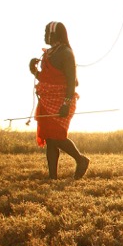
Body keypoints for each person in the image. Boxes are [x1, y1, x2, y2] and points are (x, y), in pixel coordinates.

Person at [28, 21, 89, 180]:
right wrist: (34, 71)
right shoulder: (49, 53)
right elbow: (47, 79)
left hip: (61, 100)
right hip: (47, 101)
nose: (44, 35)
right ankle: (52, 177)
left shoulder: (66, 53)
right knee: (50, 140)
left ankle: (81, 159)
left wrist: (66, 103)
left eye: (46, 32)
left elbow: (70, 82)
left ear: (53, 34)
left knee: (57, 137)